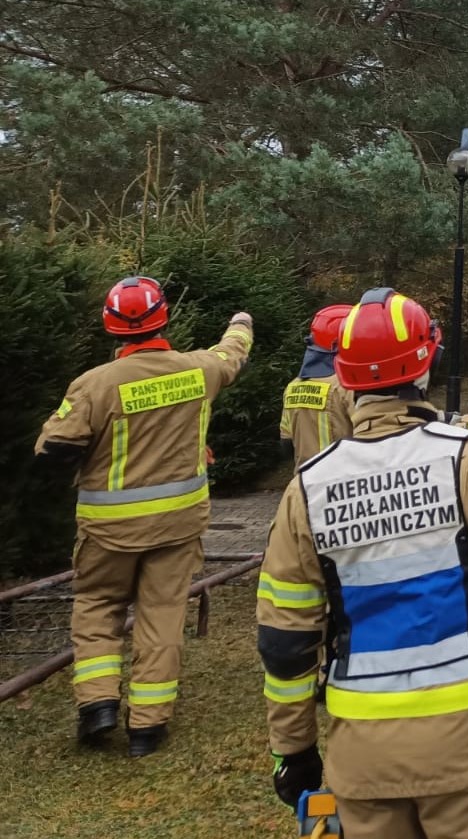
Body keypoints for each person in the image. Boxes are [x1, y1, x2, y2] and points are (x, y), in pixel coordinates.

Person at [258, 289, 468, 836]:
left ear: (343, 379)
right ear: (426, 363)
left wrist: (292, 748)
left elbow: (286, 638)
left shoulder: (307, 489)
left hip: (362, 758)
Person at [34, 275, 253, 756]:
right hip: (178, 524)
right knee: (162, 613)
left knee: (97, 606)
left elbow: (54, 450)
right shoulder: (199, 370)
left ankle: (97, 705)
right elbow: (231, 354)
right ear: (164, 318)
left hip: (107, 530)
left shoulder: (94, 384)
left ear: (109, 325)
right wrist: (241, 323)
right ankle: (148, 728)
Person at [278, 304, 355, 466]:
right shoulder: (348, 386)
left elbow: (286, 445)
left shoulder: (292, 387)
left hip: (305, 478)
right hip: (345, 477)